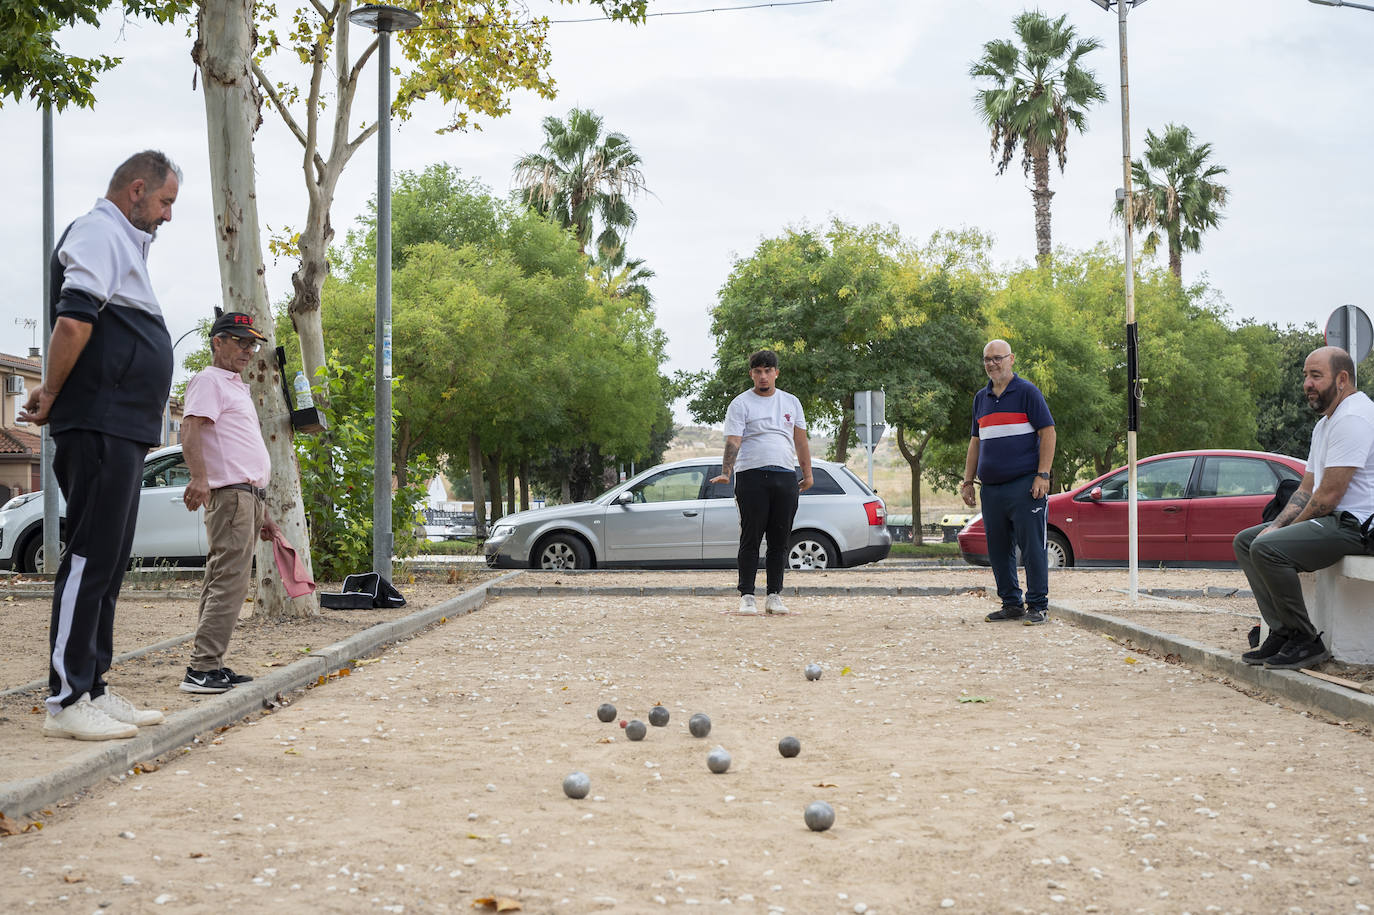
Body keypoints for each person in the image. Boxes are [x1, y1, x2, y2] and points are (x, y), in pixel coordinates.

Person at [21, 151, 179, 740]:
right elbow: (73, 321)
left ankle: (93, 685)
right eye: (164, 202)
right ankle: (65, 701)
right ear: (136, 190)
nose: (166, 216)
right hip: (98, 422)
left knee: (110, 561)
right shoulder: (96, 232)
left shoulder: (125, 243)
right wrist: (51, 391)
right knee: (89, 555)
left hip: (126, 427)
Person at [1234, 346, 1374, 670]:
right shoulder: (1326, 423)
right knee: (1246, 541)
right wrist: (1275, 526)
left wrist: (1276, 532)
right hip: (1333, 520)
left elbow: (1329, 497)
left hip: (1356, 526)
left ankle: (1305, 640)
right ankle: (1282, 633)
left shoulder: (1354, 417)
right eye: (1305, 376)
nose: (1307, 384)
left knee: (1267, 548)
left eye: (1316, 376)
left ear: (1342, 379)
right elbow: (1306, 489)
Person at [179, 312, 278, 693]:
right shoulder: (209, 380)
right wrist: (200, 479)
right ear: (217, 342)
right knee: (229, 584)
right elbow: (191, 427)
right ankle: (202, 669)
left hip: (247, 497)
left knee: (223, 581)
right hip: (232, 496)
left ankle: (210, 665)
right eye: (239, 341)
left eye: (252, 344)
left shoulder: (235, 385)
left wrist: (264, 511)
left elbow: (239, 450)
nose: (248, 350)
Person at [709, 350, 813, 615]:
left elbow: (800, 440)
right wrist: (726, 471)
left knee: (780, 539)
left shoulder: (791, 402)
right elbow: (733, 440)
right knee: (751, 536)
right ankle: (747, 595)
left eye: (768, 370)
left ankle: (774, 595)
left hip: (784, 476)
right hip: (751, 475)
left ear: (776, 372)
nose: (763, 376)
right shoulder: (740, 403)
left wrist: (807, 473)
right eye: (758, 371)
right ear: (751, 374)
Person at [961, 339, 1057, 625]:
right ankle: (1011, 603)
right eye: (987, 359)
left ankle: (1038, 606)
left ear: (1011, 359)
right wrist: (968, 481)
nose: (992, 363)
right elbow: (975, 442)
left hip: (1025, 485)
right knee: (999, 549)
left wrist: (1043, 474)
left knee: (1032, 548)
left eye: (997, 358)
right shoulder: (981, 398)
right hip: (991, 488)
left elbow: (1048, 433)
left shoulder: (1027, 392)